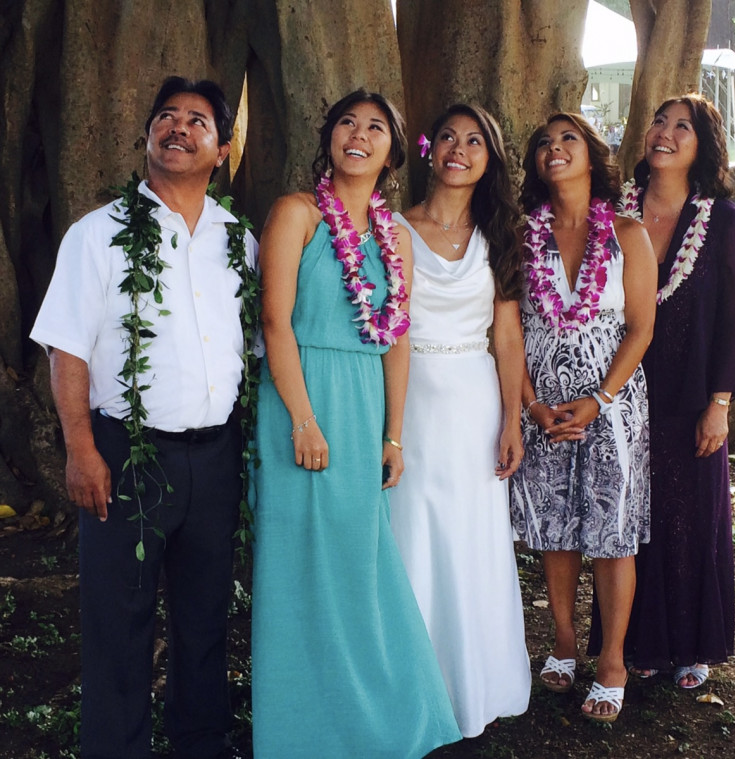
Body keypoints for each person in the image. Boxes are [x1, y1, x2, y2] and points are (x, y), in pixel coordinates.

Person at [30, 77, 258, 759]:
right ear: (147, 137)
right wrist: (80, 449)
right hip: (125, 455)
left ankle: (199, 741)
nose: (179, 128)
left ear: (222, 149)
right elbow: (67, 349)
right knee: (118, 618)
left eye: (197, 121)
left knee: (204, 614)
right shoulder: (95, 236)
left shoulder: (238, 240)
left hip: (215, 458)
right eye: (167, 117)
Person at [250, 89, 461, 758]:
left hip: (364, 398)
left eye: (375, 127)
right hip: (301, 399)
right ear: (329, 135)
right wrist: (302, 419)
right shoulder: (297, 214)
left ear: (395, 152)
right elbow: (275, 321)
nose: (359, 134)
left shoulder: (395, 234)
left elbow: (396, 339)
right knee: (297, 560)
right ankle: (302, 727)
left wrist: (393, 434)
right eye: (347, 121)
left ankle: (376, 717)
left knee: (362, 561)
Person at [389, 104, 531, 738]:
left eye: (475, 141)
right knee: (411, 534)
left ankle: (474, 687)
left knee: (472, 539)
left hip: (474, 401)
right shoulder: (391, 228)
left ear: (489, 159)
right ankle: (410, 686)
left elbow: (506, 336)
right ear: (429, 148)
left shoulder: (499, 234)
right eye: (448, 136)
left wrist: (511, 421)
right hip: (410, 397)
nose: (458, 148)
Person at [509, 112, 656, 722]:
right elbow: (508, 330)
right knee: (556, 530)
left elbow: (641, 327)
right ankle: (564, 643)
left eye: (568, 138)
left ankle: (613, 660)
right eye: (543, 142)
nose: (554, 149)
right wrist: (532, 403)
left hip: (612, 408)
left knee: (611, 533)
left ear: (592, 156)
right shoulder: (521, 237)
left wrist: (598, 398)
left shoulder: (627, 233)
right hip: (541, 405)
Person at [608, 93, 735, 689]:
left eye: (682, 127)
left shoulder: (724, 221)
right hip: (625, 385)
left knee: (692, 514)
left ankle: (693, 644)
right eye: (658, 122)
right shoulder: (614, 214)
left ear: (703, 145)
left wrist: (720, 404)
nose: (664, 133)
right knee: (631, 513)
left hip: (693, 390)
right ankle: (640, 639)